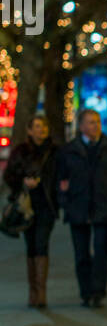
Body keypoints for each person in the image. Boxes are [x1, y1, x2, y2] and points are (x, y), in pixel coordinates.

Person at [58, 109, 107, 308]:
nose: (95, 126)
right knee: (81, 254)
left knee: (101, 252)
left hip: (102, 208)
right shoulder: (69, 150)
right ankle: (85, 292)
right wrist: (65, 200)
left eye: (97, 122)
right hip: (78, 208)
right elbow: (60, 178)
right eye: (91, 122)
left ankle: (98, 291)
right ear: (81, 126)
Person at [4, 113, 58, 308]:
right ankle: (32, 291)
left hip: (46, 205)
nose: (40, 130)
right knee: (31, 246)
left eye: (43, 126)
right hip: (26, 206)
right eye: (36, 126)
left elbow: (59, 176)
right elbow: (9, 175)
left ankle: (41, 292)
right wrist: (23, 181)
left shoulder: (54, 152)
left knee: (42, 243)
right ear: (29, 130)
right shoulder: (20, 151)